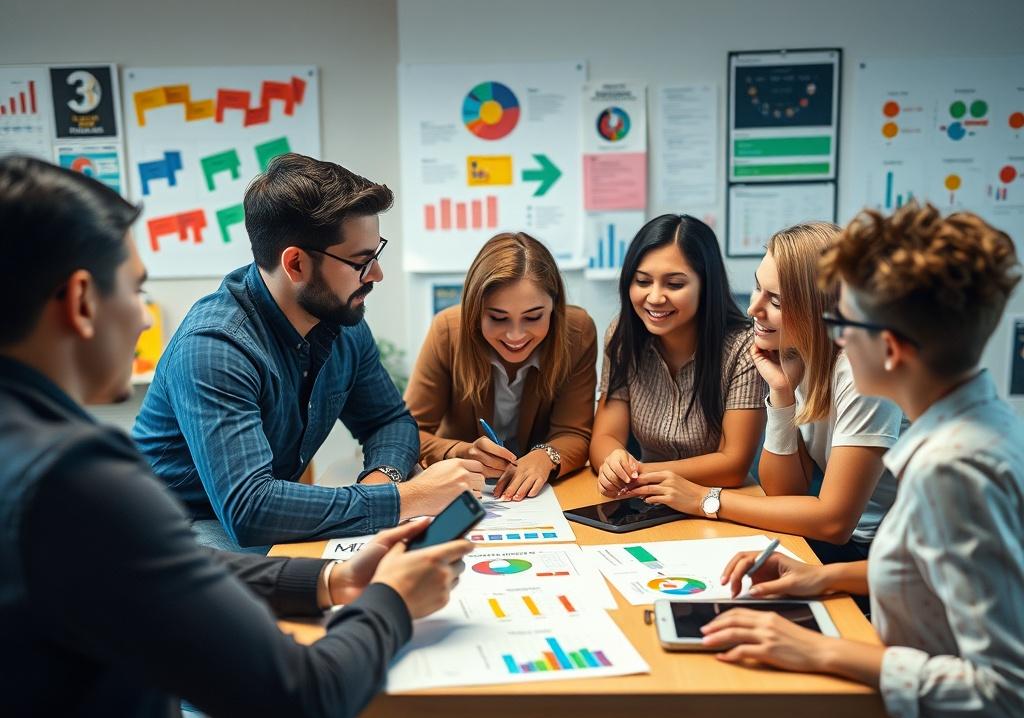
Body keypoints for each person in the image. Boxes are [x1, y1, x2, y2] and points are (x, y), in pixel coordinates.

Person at [0, 156, 472, 718]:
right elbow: (303, 700)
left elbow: (151, 560)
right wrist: (392, 598)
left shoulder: (34, 450)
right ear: (80, 301)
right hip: (205, 523)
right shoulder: (80, 473)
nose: (147, 321)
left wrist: (331, 580)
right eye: (137, 289)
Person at [708, 202, 1024, 718]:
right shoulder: (975, 422)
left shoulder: (955, 470)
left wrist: (821, 651)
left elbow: (1006, 694)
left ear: (890, 349)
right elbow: (934, 576)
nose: (835, 338)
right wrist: (824, 576)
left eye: (842, 323)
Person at [133, 153, 483, 552]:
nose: (377, 274)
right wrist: (409, 498)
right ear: (296, 264)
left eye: (376, 255)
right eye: (361, 261)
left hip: (248, 523)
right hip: (175, 530)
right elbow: (251, 510)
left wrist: (383, 480)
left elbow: (388, 420)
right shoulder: (215, 348)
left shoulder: (340, 321)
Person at [628, 223, 905, 565]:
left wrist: (704, 499)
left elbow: (834, 522)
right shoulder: (797, 352)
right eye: (758, 288)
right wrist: (781, 394)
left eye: (775, 301)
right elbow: (785, 492)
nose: (753, 310)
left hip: (892, 553)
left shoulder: (866, 368)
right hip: (847, 544)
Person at [405, 232, 597, 501]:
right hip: (465, 492)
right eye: (498, 318)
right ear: (475, 311)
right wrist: (459, 451)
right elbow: (407, 433)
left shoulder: (577, 332)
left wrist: (545, 456)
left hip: (544, 494)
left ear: (554, 307)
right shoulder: (447, 331)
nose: (515, 335)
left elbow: (574, 431)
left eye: (533, 317)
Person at [590, 214, 766, 496]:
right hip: (648, 498)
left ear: (705, 286)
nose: (655, 297)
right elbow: (604, 437)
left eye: (674, 285)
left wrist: (639, 473)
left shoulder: (745, 347)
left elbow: (733, 465)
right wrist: (614, 462)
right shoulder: (623, 334)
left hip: (719, 500)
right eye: (643, 281)